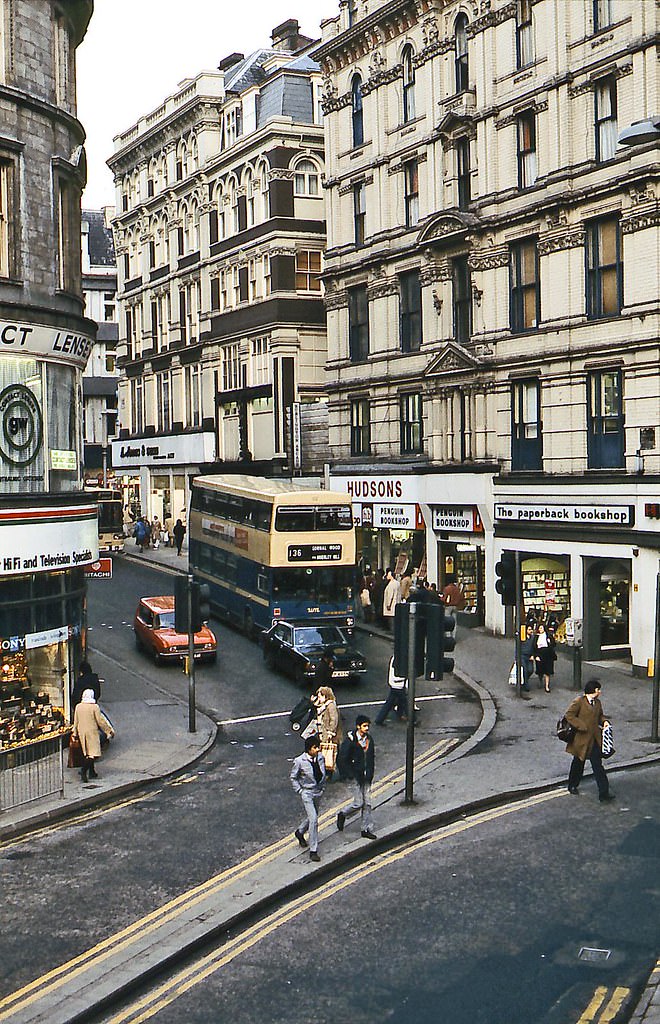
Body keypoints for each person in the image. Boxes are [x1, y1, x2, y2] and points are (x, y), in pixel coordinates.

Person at [564, 680, 614, 802]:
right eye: (598, 690)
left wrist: (604, 722)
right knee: (578, 763)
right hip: (581, 739)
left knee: (598, 766)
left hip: (594, 739)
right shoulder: (579, 702)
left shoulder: (597, 703)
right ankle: (572, 784)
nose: (600, 692)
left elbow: (600, 716)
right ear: (594, 691)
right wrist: (581, 726)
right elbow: (569, 715)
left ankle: (604, 793)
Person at [336, 714, 377, 839]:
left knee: (367, 803)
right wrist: (349, 774)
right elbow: (342, 759)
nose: (366, 728)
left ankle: (365, 829)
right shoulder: (350, 741)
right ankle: (343, 814)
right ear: (358, 726)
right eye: (364, 726)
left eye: (367, 726)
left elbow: (371, 758)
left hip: (366, 776)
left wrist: (370, 772)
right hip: (355, 776)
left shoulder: (369, 739)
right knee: (359, 803)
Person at [290, 734, 327, 862]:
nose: (318, 750)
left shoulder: (321, 758)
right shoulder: (299, 761)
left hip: (318, 791)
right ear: (309, 749)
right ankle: (313, 850)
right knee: (314, 820)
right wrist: (300, 790)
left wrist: (323, 788)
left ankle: (300, 832)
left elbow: (323, 772)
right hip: (307, 793)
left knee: (313, 816)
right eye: (315, 748)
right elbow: (293, 777)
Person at [72, 689, 115, 783]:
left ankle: (92, 772)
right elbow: (100, 721)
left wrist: (74, 733)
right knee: (93, 754)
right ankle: (84, 771)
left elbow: (76, 721)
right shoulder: (94, 707)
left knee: (86, 753)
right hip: (92, 732)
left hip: (81, 732)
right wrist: (109, 730)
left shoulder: (78, 706)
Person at [312, 685, 343, 776]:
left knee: (331, 754)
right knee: (327, 753)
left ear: (326, 696)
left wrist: (330, 732)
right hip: (323, 733)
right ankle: (328, 772)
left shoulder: (331, 706)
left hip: (330, 735)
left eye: (320, 696)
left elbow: (334, 719)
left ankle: (330, 773)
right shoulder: (324, 705)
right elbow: (317, 705)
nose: (319, 698)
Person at [375, 656, 407, 725]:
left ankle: (379, 719)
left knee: (391, 703)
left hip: (395, 685)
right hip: (398, 685)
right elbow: (396, 675)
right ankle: (413, 720)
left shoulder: (395, 658)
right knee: (405, 703)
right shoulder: (398, 659)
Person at [532, 622, 556, 692]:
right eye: (539, 628)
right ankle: (540, 680)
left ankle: (547, 686)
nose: (540, 629)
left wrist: (550, 642)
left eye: (541, 628)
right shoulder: (536, 637)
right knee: (540, 669)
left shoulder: (548, 636)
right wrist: (535, 655)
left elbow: (554, 644)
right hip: (540, 653)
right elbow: (534, 647)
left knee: (548, 671)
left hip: (548, 654)